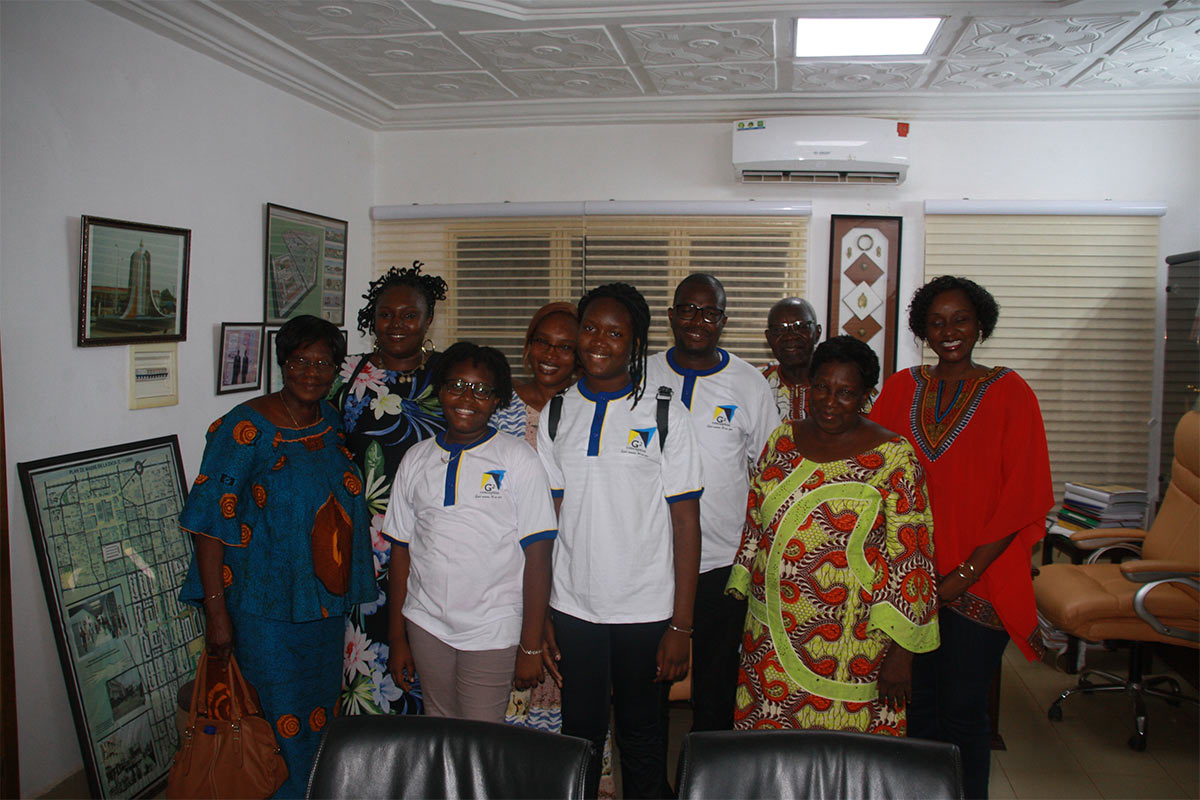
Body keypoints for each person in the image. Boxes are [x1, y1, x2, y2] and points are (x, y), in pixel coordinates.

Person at [870, 276, 1053, 800]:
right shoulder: (901, 388)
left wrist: (962, 576)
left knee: (964, 712)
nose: (949, 331)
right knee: (914, 709)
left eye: (961, 320)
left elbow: (1023, 496)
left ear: (980, 325)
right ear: (922, 329)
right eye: (936, 322)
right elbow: (869, 475)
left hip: (981, 582)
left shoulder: (1011, 391)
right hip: (907, 585)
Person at [178, 315, 374, 798]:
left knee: (319, 716)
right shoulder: (243, 429)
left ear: (336, 369)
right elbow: (208, 525)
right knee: (271, 722)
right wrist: (216, 614)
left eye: (323, 363)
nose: (311, 372)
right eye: (300, 360)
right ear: (283, 363)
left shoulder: (329, 420)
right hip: (261, 611)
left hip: (322, 610)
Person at [537, 283, 703, 799]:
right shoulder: (558, 411)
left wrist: (681, 624)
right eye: (590, 328)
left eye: (615, 333)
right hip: (574, 608)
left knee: (644, 738)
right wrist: (543, 611)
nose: (598, 341)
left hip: (646, 610)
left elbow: (686, 524)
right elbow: (548, 520)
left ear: (636, 342)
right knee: (580, 737)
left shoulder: (664, 411)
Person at [727, 336, 939, 736]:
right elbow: (756, 522)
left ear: (866, 396)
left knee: (846, 756)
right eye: (822, 387)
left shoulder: (894, 457)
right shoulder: (782, 440)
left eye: (845, 393)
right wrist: (742, 591)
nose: (829, 401)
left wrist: (902, 656)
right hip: (768, 636)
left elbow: (912, 561)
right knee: (771, 753)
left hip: (852, 644)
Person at [383, 342, 555, 722]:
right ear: (440, 390)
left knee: (481, 735)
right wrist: (397, 638)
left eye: (481, 390)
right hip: (426, 623)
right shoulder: (416, 459)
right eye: (456, 385)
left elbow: (539, 556)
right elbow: (401, 551)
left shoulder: (518, 459)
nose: (466, 398)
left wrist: (530, 645)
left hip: (492, 628)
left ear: (497, 401)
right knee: (440, 725)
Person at [645, 274, 779, 731]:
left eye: (709, 312)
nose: (697, 320)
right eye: (687, 309)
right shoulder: (642, 374)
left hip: (723, 562)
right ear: (671, 316)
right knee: (649, 685)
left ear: (723, 320)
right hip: (650, 559)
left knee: (716, 686)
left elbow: (769, 471)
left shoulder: (749, 383)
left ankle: (704, 769)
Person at [330, 261, 449, 715]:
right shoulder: (344, 376)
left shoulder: (449, 375)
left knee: (432, 661)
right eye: (385, 314)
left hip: (435, 541)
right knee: (366, 662)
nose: (396, 324)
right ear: (372, 319)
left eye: (409, 315)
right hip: (362, 548)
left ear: (428, 319)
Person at [760, 297, 822, 422]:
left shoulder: (836, 385)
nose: (790, 336)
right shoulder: (756, 382)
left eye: (800, 327)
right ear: (768, 338)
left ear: (817, 333)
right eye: (779, 329)